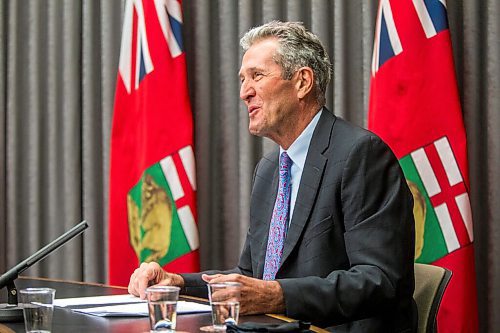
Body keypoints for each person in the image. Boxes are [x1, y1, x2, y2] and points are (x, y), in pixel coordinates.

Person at [128, 21, 416, 332]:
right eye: (242, 80)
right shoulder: (269, 170)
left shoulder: (360, 154)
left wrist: (275, 295)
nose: (244, 92)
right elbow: (252, 275)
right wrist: (179, 283)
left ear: (302, 82)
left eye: (256, 76)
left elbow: (380, 281)